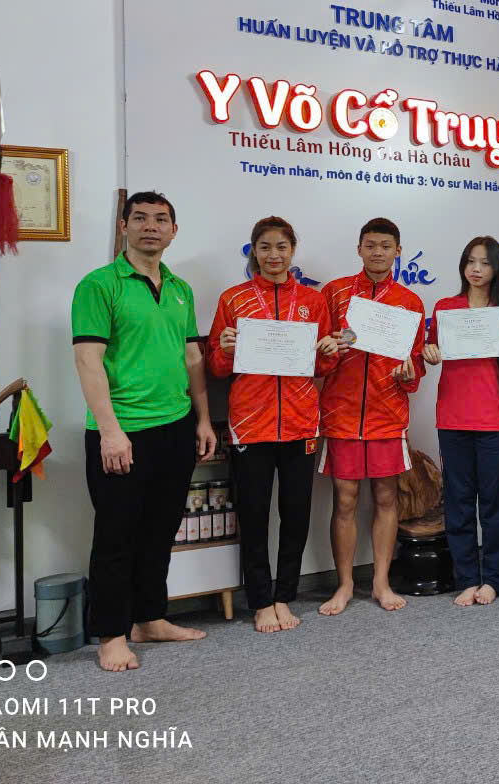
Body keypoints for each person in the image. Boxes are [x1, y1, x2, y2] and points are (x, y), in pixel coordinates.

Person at [71, 191, 217, 672]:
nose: (150, 227)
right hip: (123, 431)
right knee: (116, 537)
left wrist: (202, 419)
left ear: (174, 230)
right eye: (140, 218)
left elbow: (192, 358)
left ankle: (150, 618)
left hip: (175, 427)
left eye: (160, 219)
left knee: (160, 530)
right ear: (124, 226)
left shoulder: (180, 288)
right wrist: (110, 432)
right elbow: (88, 361)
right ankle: (112, 634)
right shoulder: (98, 285)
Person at [206, 216, 339, 633]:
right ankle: (261, 601)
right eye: (265, 247)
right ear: (254, 252)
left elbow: (322, 366)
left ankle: (285, 596)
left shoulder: (313, 301)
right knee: (254, 515)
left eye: (281, 246)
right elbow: (216, 367)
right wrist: (225, 349)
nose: (274, 255)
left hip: (300, 423)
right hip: (250, 423)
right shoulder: (233, 299)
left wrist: (329, 352)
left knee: (296, 515)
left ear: (292, 250)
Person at [318, 218, 426, 615]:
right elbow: (317, 356)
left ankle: (381, 581)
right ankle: (345, 584)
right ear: (359, 248)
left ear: (398, 251)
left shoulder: (410, 301)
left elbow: (416, 362)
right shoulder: (334, 293)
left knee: (386, 497)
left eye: (385, 245)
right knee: (344, 499)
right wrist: (328, 352)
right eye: (370, 245)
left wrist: (409, 374)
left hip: (387, 414)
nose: (377, 252)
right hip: (342, 413)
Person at [424, 237, 499, 606]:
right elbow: (433, 351)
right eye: (470, 261)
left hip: (493, 419)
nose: (476, 269)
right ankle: (466, 578)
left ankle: (494, 579)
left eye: (485, 262)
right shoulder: (445, 308)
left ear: (497, 268)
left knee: (496, 504)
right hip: (453, 417)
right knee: (459, 502)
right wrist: (429, 353)